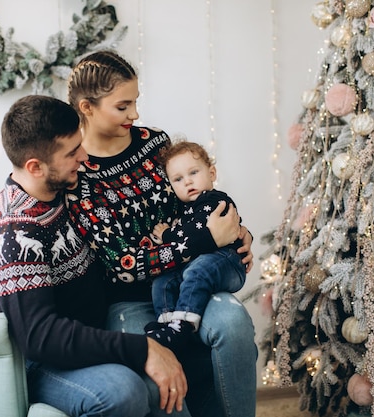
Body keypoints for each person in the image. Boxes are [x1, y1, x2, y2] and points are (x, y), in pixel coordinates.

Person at [66, 50, 257, 417]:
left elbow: (191, 205)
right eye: (122, 106)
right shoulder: (78, 173)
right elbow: (122, 265)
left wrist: (235, 230)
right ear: (87, 107)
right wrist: (206, 240)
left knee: (232, 322)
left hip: (188, 281)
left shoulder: (155, 143)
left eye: (135, 102)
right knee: (157, 376)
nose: (134, 114)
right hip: (129, 300)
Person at [0, 94, 190, 417]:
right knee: (123, 391)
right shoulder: (13, 230)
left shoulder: (64, 189)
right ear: (35, 167)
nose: (84, 156)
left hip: (94, 329)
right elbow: (39, 337)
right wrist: (142, 348)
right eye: (72, 153)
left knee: (167, 374)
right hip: (43, 361)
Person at [143, 140, 247, 353]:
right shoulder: (185, 210)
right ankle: (166, 323)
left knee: (198, 269)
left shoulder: (214, 201)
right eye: (178, 179)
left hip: (228, 262)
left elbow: (195, 234)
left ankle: (183, 325)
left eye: (193, 173)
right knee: (163, 280)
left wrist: (167, 234)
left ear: (212, 173)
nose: (188, 182)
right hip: (199, 265)